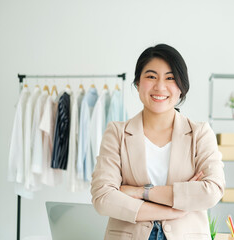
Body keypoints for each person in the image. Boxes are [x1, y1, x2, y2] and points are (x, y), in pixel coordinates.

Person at [91, 44, 225, 240]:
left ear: (181, 87)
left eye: (170, 78)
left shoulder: (199, 133)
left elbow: (212, 191)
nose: (160, 86)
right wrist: (173, 210)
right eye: (151, 76)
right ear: (137, 83)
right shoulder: (117, 133)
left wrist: (141, 192)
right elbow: (103, 198)